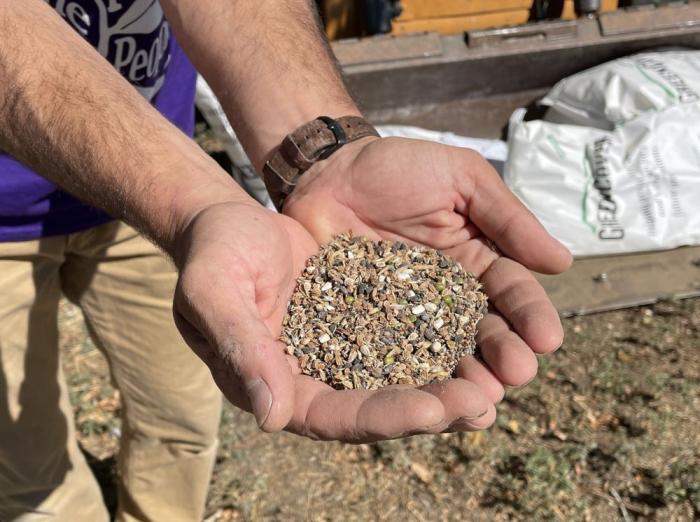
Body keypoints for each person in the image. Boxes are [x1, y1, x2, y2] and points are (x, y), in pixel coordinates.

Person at [0, 1, 573, 520]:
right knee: (26, 464)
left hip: (149, 192)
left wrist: (323, 157)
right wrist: (195, 203)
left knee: (181, 419)